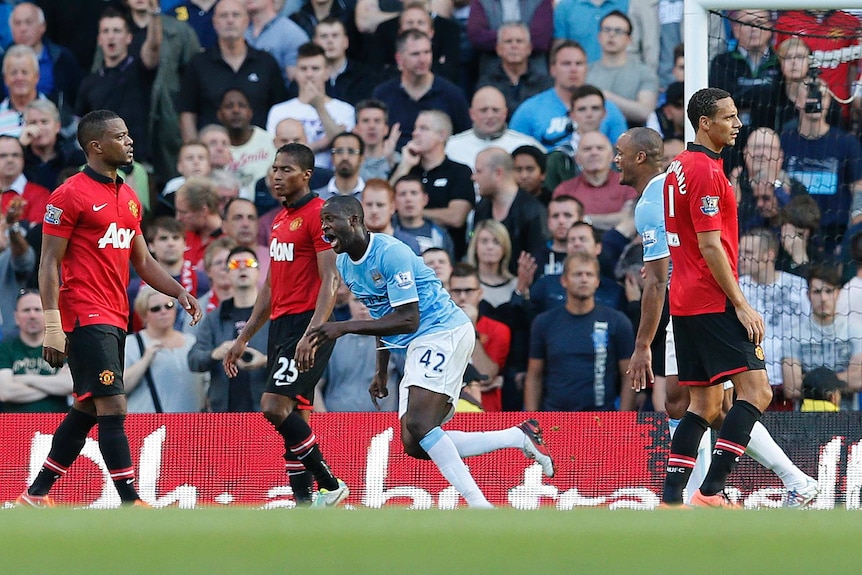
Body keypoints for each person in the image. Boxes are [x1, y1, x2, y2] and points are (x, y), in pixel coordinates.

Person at [310, 194, 555, 508]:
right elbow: (381, 314)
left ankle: (481, 507)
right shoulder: (345, 263)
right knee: (414, 442)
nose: (324, 229)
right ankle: (517, 437)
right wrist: (380, 370)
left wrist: (342, 327)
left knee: (421, 425)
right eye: (322, 223)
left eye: (330, 221)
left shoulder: (391, 252)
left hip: (444, 330)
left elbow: (408, 319)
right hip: (420, 342)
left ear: (354, 220)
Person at [621, 125, 819, 508]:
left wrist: (643, 344)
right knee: (690, 402)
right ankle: (699, 496)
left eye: (620, 152)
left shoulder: (655, 199)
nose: (617, 159)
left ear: (640, 157)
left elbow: (660, 278)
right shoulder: (675, 183)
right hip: (696, 304)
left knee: (717, 402)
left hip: (699, 306)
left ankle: (762, 485)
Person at [18, 109, 202, 507]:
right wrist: (53, 325)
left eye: (128, 133)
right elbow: (48, 261)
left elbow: (144, 261)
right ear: (96, 146)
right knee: (113, 403)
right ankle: (130, 500)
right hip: (84, 311)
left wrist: (180, 292)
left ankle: (36, 494)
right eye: (120, 136)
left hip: (116, 314)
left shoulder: (130, 197)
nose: (129, 141)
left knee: (87, 405)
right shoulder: (69, 193)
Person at [660, 88, 793, 508]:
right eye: (728, 117)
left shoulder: (679, 164)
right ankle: (711, 492)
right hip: (711, 298)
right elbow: (711, 245)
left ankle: (671, 499)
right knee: (758, 392)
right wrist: (740, 303)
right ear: (705, 123)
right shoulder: (704, 170)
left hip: (683, 299)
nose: (737, 125)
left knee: (705, 402)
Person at [223, 142, 348, 508]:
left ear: (306, 175)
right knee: (295, 418)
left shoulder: (318, 215)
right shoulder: (278, 219)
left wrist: (314, 330)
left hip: (307, 325)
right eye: (274, 169)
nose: (277, 176)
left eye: (286, 170)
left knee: (273, 406)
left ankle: (330, 483)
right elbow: (271, 285)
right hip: (281, 325)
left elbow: (331, 280)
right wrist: (244, 337)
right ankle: (304, 504)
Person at [525, 251, 635, 411]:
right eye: (577, 274)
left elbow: (628, 376)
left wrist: (625, 423)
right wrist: (531, 423)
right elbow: (534, 376)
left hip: (602, 421)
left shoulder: (618, 322)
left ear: (597, 281)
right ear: (564, 280)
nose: (584, 279)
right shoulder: (544, 323)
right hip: (554, 419)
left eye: (589, 275)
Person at [179, 0, 288, 141]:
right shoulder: (198, 64)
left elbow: (279, 111)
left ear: (247, 20)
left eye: (235, 15)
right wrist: (196, 151)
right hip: (213, 154)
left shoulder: (266, 63)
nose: (230, 20)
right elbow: (187, 113)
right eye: (224, 16)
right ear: (214, 22)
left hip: (260, 156)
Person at [188, 245, 269, 412]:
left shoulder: (274, 315)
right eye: (234, 265)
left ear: (260, 271)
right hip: (223, 413)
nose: (242, 268)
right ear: (227, 273)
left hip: (267, 410)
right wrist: (215, 353)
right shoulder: (214, 318)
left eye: (249, 263)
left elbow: (294, 358)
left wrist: (265, 360)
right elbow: (193, 360)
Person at [76, 7, 161, 164]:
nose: (111, 36)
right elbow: (80, 125)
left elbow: (154, 46)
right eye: (106, 31)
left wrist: (154, 13)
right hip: (101, 164)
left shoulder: (140, 70)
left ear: (129, 38)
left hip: (136, 161)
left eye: (117, 31)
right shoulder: (89, 82)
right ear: (99, 39)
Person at [738, 228, 810, 410]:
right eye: (740, 252)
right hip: (749, 386)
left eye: (748, 253)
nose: (741, 258)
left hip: (789, 387)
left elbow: (809, 329)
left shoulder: (797, 286)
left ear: (769, 255)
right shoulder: (737, 288)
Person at [388, 109, 474, 259]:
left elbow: (456, 216)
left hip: (448, 259)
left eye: (423, 128)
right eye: (415, 129)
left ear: (442, 135)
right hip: (400, 255)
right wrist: (404, 165)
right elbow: (384, 202)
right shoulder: (405, 168)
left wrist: (414, 212)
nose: (415, 134)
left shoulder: (459, 172)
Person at [509, 41, 626, 150]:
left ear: (586, 68)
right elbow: (515, 152)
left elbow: (622, 155)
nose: (573, 69)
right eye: (566, 64)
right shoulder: (529, 110)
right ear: (552, 69)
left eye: (579, 64)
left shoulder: (608, 109)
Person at [371, 30, 470, 151]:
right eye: (415, 54)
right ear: (399, 58)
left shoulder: (452, 94)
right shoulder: (383, 94)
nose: (423, 59)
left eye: (427, 52)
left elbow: (465, 137)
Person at [782, 264, 862, 409]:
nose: (823, 298)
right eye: (817, 292)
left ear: (838, 293)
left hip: (848, 420)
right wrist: (840, 381)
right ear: (808, 295)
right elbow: (791, 388)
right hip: (805, 423)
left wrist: (814, 382)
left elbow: (859, 380)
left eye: (828, 291)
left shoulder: (856, 331)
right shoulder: (793, 335)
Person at [266, 42, 355, 169]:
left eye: (315, 68)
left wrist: (319, 107)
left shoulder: (345, 110)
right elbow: (276, 154)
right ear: (295, 73)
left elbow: (342, 146)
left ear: (326, 73)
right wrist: (321, 144)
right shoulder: (278, 111)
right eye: (303, 69)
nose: (309, 74)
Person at [124, 286, 205, 413]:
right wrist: (145, 360)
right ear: (144, 315)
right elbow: (119, 387)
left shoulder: (191, 342)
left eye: (169, 305)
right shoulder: (131, 344)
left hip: (189, 425)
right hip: (146, 426)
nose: (164, 311)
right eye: (156, 309)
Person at [314, 292, 398, 412]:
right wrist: (324, 420)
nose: (363, 306)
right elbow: (315, 386)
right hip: (337, 423)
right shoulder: (332, 339)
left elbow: (410, 383)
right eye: (357, 300)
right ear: (348, 302)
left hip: (386, 425)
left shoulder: (395, 339)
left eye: (370, 301)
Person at [472, 146, 546, 275]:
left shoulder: (533, 211)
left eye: (479, 171)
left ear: (498, 173)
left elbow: (537, 262)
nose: (474, 177)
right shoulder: (482, 207)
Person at [449, 262, 511, 412]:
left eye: (468, 291)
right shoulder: (438, 330)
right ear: (448, 293)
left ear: (480, 293)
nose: (462, 297)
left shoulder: (498, 330)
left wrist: (471, 329)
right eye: (456, 291)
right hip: (446, 412)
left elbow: (487, 375)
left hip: (486, 414)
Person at [0, 289, 72, 412]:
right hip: (13, 425)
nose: (32, 315)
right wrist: (54, 385)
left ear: (47, 315)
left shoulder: (62, 346)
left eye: (37, 310)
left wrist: (23, 379)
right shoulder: (5, 349)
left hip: (58, 422)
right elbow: (5, 392)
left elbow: (70, 385)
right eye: (26, 310)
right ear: (16, 317)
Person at [552, 131, 638, 231]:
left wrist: (584, 219)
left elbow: (630, 219)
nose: (594, 153)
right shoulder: (564, 190)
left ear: (612, 156)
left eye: (600, 148)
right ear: (577, 158)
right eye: (587, 149)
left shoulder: (629, 184)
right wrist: (615, 218)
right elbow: (563, 224)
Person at [444, 86, 544, 171]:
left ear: (505, 113)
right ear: (472, 114)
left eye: (495, 110)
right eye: (483, 110)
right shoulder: (450, 147)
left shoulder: (526, 144)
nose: (490, 116)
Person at [586, 11, 659, 125]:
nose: (611, 34)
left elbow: (646, 112)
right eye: (606, 30)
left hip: (633, 137)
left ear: (629, 39)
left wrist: (606, 97)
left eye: (618, 31)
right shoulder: (586, 71)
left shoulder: (644, 73)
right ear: (599, 36)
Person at [475, 22, 553, 117]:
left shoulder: (545, 83)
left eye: (519, 41)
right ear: (499, 49)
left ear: (529, 48)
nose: (514, 46)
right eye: (508, 41)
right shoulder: (487, 83)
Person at [392, 174, 455, 259]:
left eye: (414, 193)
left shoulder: (440, 235)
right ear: (393, 201)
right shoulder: (386, 233)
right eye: (402, 194)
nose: (408, 199)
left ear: (425, 199)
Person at [353, 99, 401, 180]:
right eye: (365, 121)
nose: (371, 126)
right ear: (356, 129)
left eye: (377, 121)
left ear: (386, 129)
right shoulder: (349, 161)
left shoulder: (399, 161)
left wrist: (391, 161)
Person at [314, 131, 366, 201]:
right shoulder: (317, 198)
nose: (345, 157)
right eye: (339, 151)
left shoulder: (372, 198)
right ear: (332, 157)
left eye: (351, 151)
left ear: (361, 158)